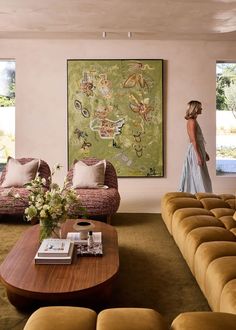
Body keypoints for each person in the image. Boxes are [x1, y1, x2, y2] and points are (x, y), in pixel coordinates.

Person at [179, 100, 212, 193]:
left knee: (200, 175)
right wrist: (198, 156)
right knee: (199, 175)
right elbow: (193, 140)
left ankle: (201, 196)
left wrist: (204, 153)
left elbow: (196, 140)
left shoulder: (193, 121)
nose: (201, 108)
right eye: (200, 107)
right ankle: (201, 196)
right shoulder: (192, 122)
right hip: (195, 151)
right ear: (195, 108)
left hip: (198, 149)